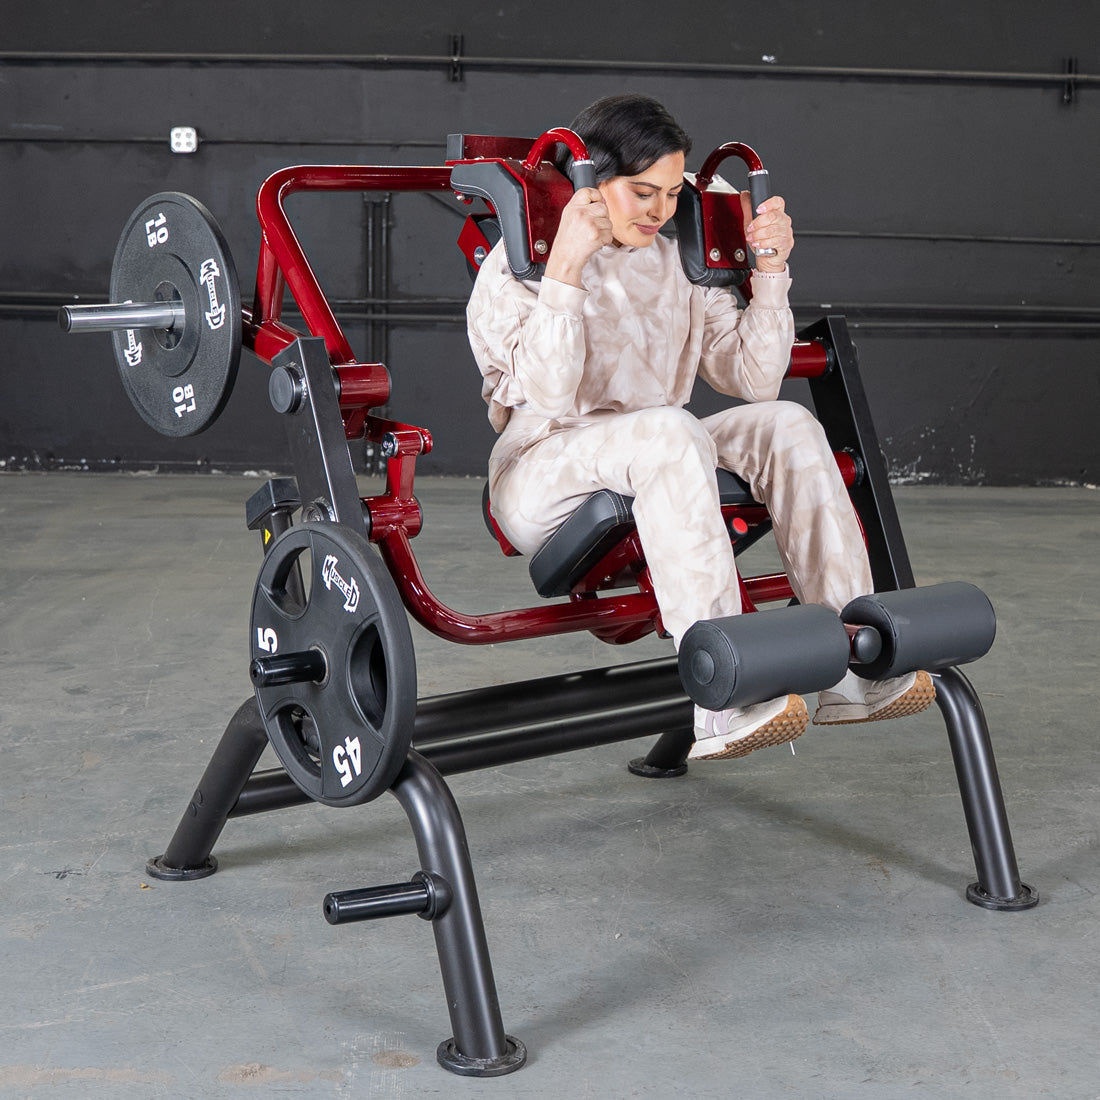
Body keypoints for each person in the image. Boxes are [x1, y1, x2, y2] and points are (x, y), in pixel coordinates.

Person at [467, 94, 934, 761]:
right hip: (542, 469)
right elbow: (548, 393)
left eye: (669, 192)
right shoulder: (522, 263)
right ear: (593, 180)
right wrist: (567, 267)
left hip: (660, 447)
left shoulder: (677, 256)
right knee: (670, 431)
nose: (659, 211)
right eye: (640, 191)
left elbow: (753, 380)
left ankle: (846, 668)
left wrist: (769, 272)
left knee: (789, 425)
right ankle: (723, 702)